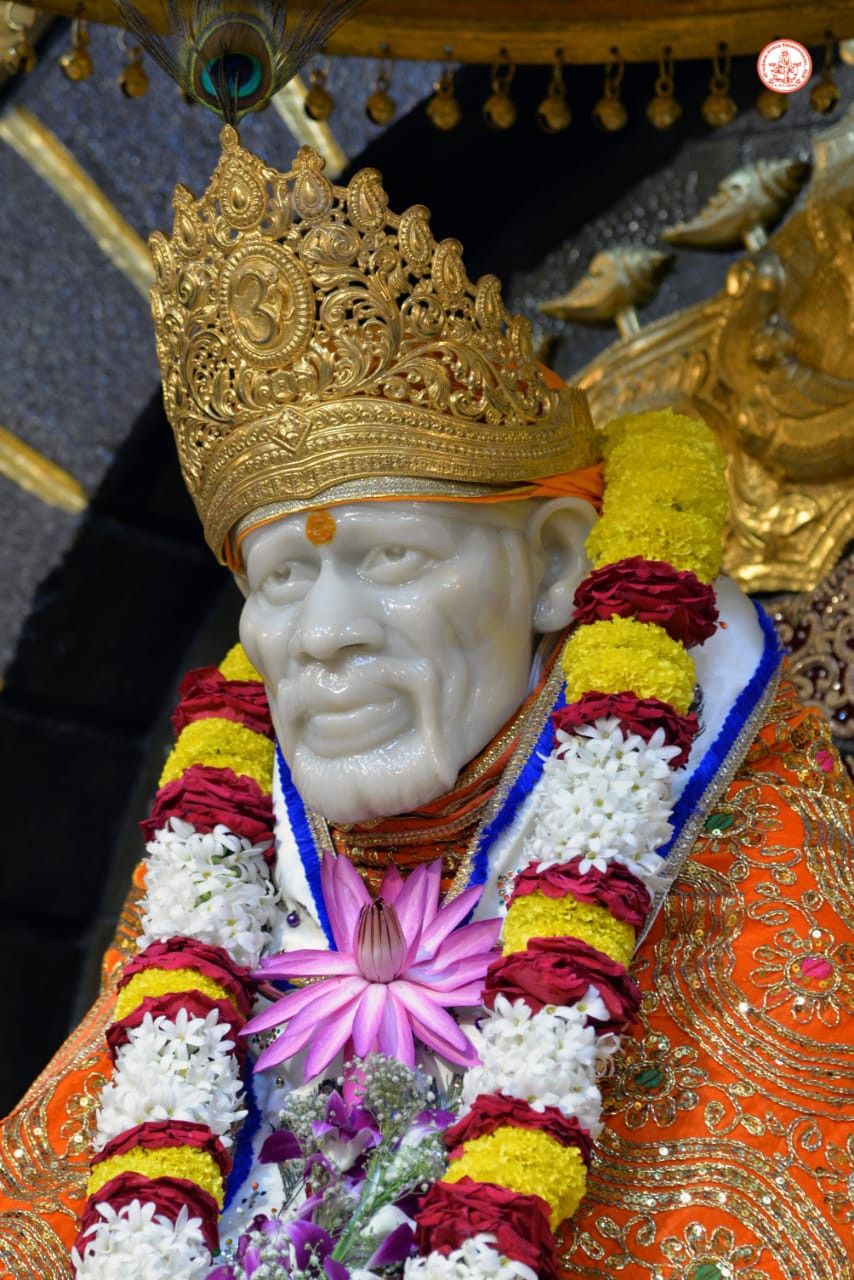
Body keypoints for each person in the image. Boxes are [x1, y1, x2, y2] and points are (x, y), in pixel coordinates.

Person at [0, 129, 850, 1280]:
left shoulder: (730, 841)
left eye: (391, 557)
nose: (320, 631)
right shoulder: (222, 862)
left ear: (554, 563)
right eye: (281, 578)